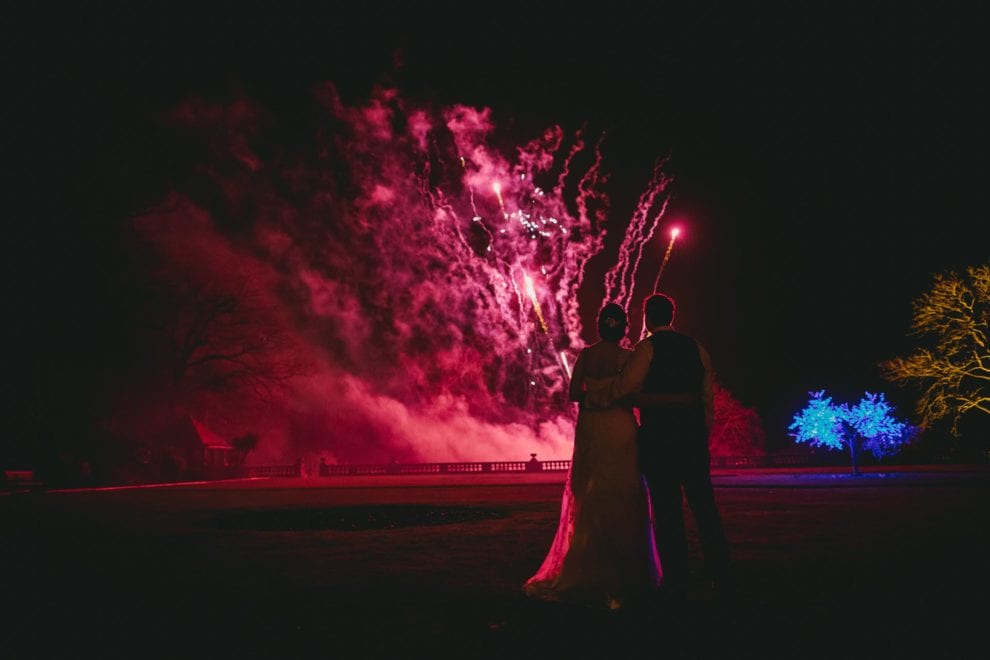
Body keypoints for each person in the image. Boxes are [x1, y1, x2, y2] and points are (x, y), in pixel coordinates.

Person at [586, 293, 732, 600]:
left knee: (667, 510)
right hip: (692, 441)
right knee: (704, 505)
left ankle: (676, 574)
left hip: (659, 441)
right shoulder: (698, 349)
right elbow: (708, 399)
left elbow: (625, 388)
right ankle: (720, 569)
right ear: (672, 315)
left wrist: (596, 397)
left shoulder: (647, 349)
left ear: (648, 318)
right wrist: (700, 432)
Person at [523, 303, 662, 610]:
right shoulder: (629, 357)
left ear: (600, 327)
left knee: (590, 493)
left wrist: (593, 398)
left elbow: (574, 394)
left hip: (592, 425)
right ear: (624, 327)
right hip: (620, 425)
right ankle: (629, 566)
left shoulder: (586, 355)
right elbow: (633, 394)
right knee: (625, 492)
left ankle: (587, 562)